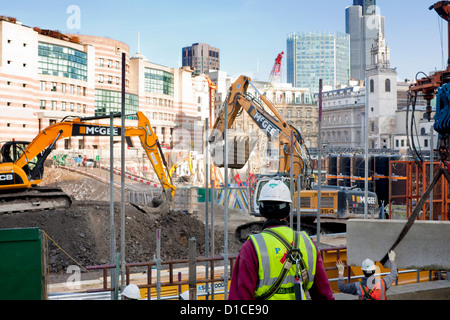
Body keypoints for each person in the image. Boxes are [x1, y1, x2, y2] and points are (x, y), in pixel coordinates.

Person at [228, 179, 335, 300]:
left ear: (262, 209)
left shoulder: (252, 247)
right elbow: (324, 294)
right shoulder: (307, 243)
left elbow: (240, 296)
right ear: (287, 209)